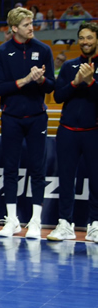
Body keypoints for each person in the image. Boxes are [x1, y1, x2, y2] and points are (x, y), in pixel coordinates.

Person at [0, 7, 55, 238]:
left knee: (37, 169)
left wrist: (39, 81)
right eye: (27, 24)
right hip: (11, 118)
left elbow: (52, 86)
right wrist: (25, 79)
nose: (32, 27)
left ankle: (36, 221)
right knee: (10, 169)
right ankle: (12, 220)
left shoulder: (44, 49)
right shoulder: (2, 52)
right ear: (14, 28)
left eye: (31, 23)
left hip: (37, 117)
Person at [48, 22, 98, 242]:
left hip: (93, 131)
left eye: (89, 38)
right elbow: (58, 97)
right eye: (81, 38)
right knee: (66, 178)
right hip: (67, 130)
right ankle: (65, 224)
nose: (85, 42)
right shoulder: (69, 66)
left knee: (96, 179)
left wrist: (91, 82)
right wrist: (77, 82)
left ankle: (94, 224)